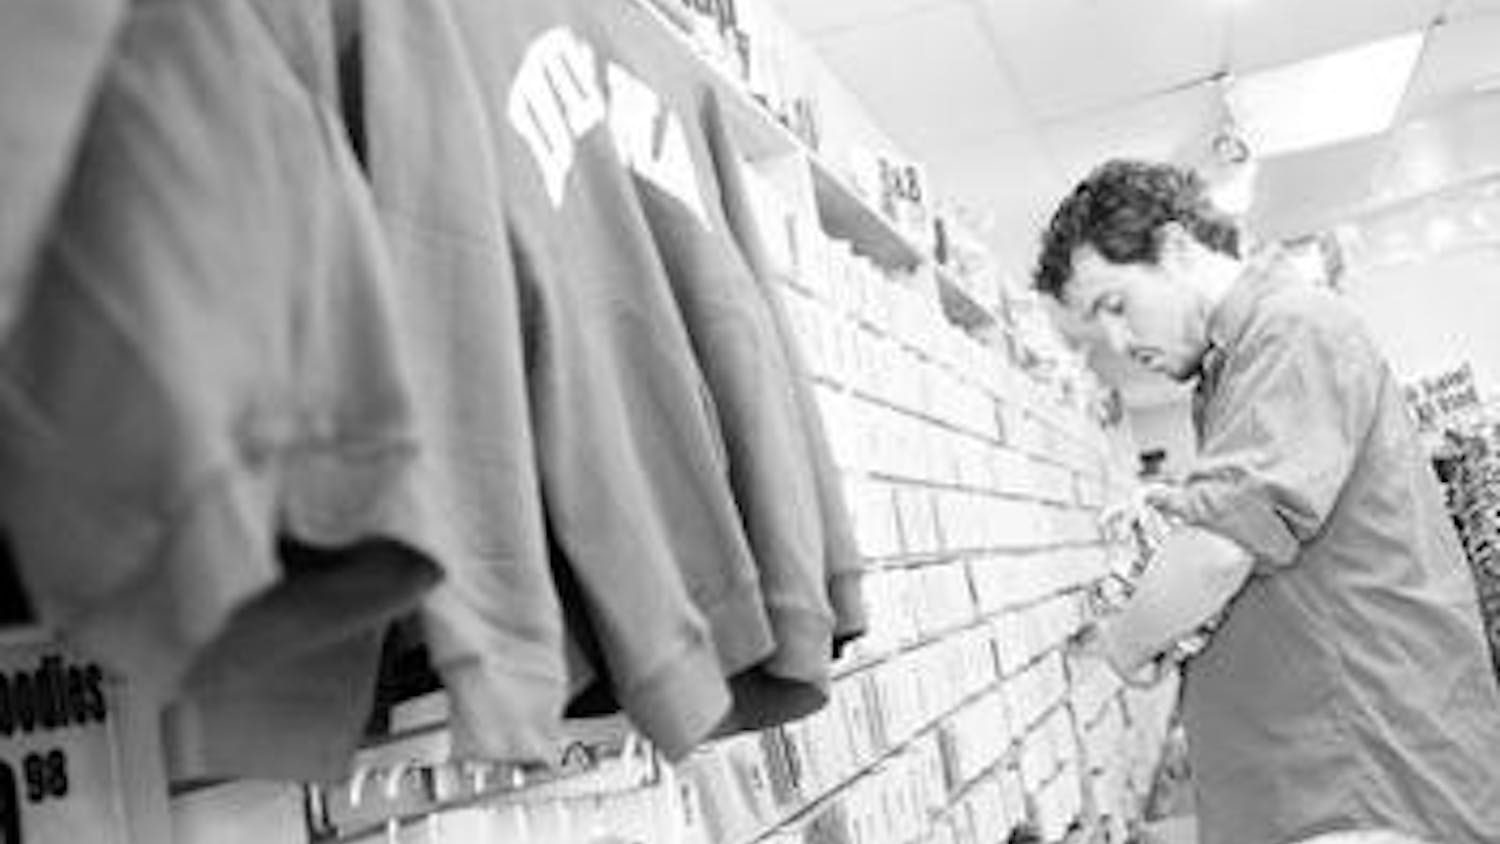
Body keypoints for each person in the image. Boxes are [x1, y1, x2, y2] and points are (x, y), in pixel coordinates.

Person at [1038, 159, 1500, 844]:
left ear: (1175, 248)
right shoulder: (1228, 374)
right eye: (1093, 330)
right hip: (1313, 788)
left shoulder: (1293, 330)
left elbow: (1219, 551)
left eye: (1116, 304)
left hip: (1364, 785)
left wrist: (1128, 643)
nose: (1118, 344)